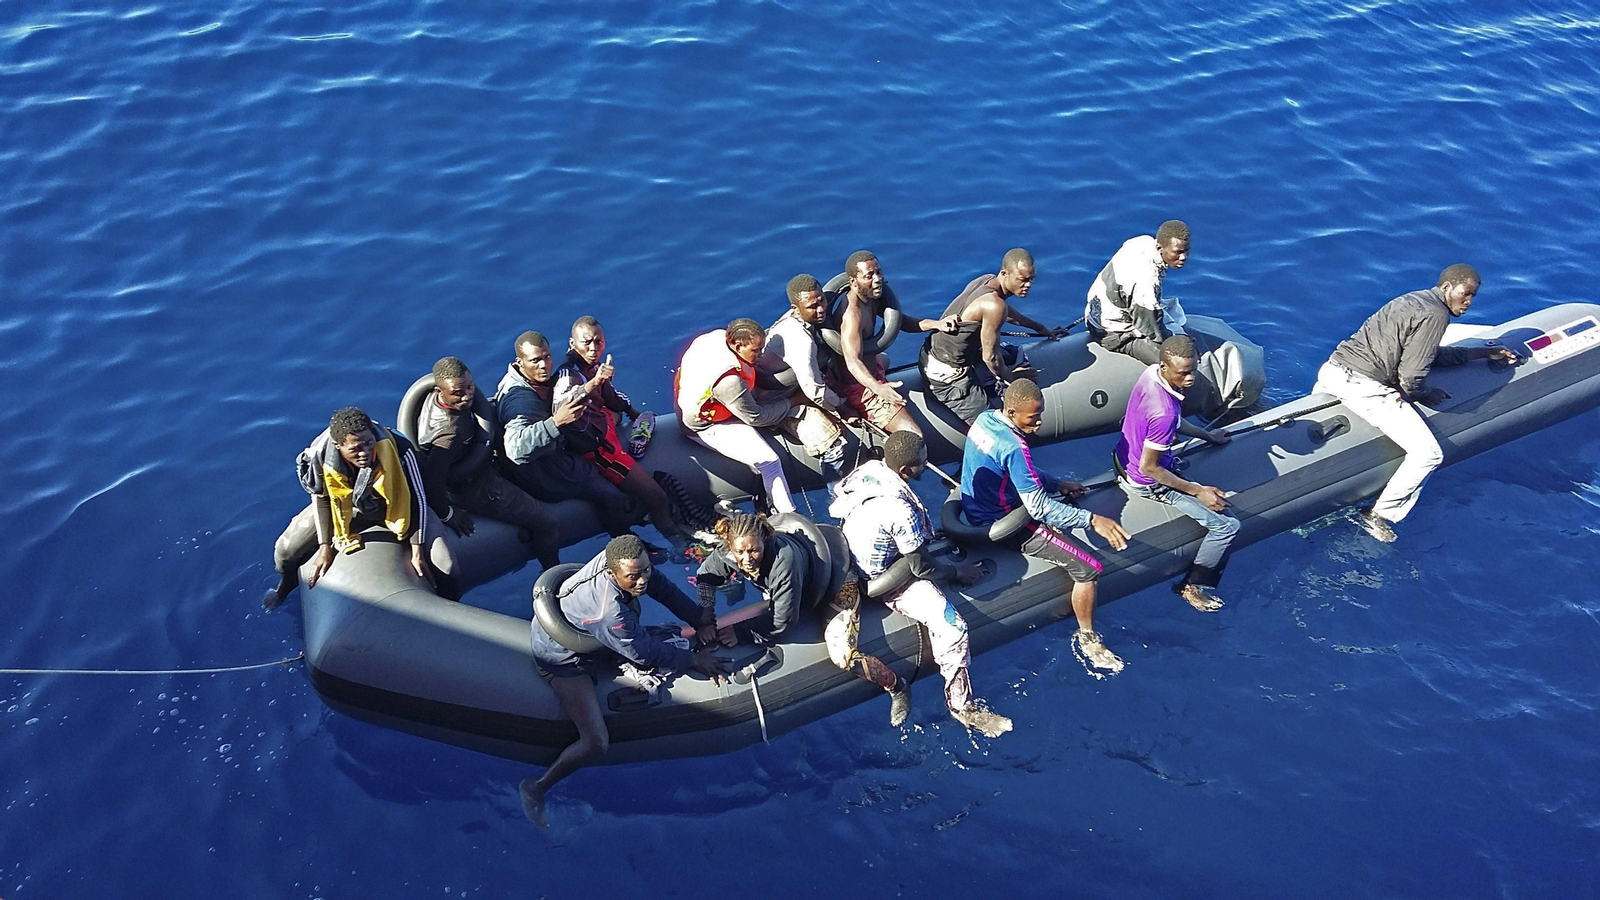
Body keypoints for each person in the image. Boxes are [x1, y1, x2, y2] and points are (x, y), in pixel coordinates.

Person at [520, 534, 729, 826]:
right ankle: (536, 788)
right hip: (562, 658)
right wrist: (693, 660)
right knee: (596, 742)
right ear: (612, 572)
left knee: (657, 624)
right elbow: (642, 653)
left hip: (590, 629)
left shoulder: (627, 563)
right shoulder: (610, 613)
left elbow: (662, 588)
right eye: (634, 576)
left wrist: (699, 618)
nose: (642, 579)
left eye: (645, 570)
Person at [1312, 264, 1520, 542]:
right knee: (1428, 454)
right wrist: (1425, 394)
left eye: (1473, 297)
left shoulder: (1412, 299)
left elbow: (1427, 353)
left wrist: (1479, 353)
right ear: (1447, 287)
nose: (1468, 302)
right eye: (1466, 294)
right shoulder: (1436, 315)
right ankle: (1378, 515)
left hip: (1333, 371)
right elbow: (1412, 376)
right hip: (1362, 386)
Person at [829, 431, 1011, 736]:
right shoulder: (899, 509)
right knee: (953, 628)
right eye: (921, 464)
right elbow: (919, 565)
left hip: (853, 556)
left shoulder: (869, 470)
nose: (926, 467)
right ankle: (961, 706)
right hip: (882, 578)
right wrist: (956, 573)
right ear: (905, 471)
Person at [961, 379, 1132, 673]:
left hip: (973, 507)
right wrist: (1092, 519)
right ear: (1013, 412)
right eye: (1033, 417)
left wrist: (1056, 483)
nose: (1038, 423)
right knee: (1089, 568)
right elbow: (1038, 507)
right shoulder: (1015, 445)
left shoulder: (985, 419)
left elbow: (1016, 468)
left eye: (1040, 415)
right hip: (1001, 521)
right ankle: (1088, 637)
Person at [265, 406, 440, 609]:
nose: (365, 452)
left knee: (446, 564)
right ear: (338, 446)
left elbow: (417, 496)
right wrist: (325, 548)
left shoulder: (399, 447)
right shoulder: (320, 455)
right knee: (286, 549)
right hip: (344, 505)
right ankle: (283, 589)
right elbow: (322, 499)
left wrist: (417, 549)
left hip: (387, 504)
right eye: (355, 449)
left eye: (368, 443)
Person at [1113, 337, 1238, 610]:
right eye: (1183, 373)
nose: (1191, 377)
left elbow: (1170, 421)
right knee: (1227, 527)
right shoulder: (1165, 413)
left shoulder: (1150, 375)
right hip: (1145, 479)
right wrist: (1198, 491)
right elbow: (1150, 467)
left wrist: (1207, 436)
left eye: (1193, 369)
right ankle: (1192, 586)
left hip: (1122, 458)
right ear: (1165, 366)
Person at [415, 357, 562, 572]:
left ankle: (521, 525)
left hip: (481, 465)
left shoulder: (434, 399)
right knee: (548, 522)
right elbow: (433, 479)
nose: (467, 395)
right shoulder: (448, 434)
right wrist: (448, 513)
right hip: (478, 488)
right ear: (440, 390)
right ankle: (553, 571)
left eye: (470, 386)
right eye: (458, 392)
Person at [552, 316, 690, 543]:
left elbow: (609, 395)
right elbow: (563, 407)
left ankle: (632, 435)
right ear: (572, 343)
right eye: (587, 342)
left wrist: (632, 412)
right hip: (596, 447)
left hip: (601, 423)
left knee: (612, 411)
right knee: (657, 497)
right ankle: (676, 543)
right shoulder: (567, 376)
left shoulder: (591, 366)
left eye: (598, 342)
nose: (593, 348)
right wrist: (594, 383)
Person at [494, 331, 635, 539]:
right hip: (541, 472)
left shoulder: (531, 379)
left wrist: (595, 382)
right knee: (610, 495)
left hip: (551, 452)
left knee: (612, 416)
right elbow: (516, 450)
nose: (544, 365)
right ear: (520, 362)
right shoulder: (520, 401)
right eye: (535, 361)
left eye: (547, 357)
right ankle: (623, 540)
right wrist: (556, 422)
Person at [675, 318, 804, 514]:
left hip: (691, 403)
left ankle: (764, 504)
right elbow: (756, 417)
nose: (761, 355)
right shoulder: (730, 381)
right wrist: (794, 401)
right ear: (737, 345)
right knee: (770, 462)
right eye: (756, 351)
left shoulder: (717, 337)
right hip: (703, 426)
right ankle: (789, 516)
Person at [922, 248, 1062, 425]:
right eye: (1023, 279)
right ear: (1005, 273)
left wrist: (1039, 327)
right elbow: (991, 358)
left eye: (1032, 279)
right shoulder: (995, 305)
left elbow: (1006, 312)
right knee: (992, 425)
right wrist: (1013, 379)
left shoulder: (987, 281)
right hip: (944, 375)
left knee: (1006, 354)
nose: (1029, 285)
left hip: (931, 351)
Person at [830, 250, 961, 437]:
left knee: (885, 358)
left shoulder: (870, 297)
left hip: (873, 364)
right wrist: (878, 388)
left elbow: (900, 322)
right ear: (853, 281)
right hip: (858, 388)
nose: (877, 279)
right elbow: (853, 362)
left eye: (879, 272)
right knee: (914, 434)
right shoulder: (852, 316)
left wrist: (937, 324)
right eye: (869, 276)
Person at [692, 512, 838, 644]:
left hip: (834, 572)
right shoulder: (727, 551)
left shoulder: (783, 564)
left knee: (839, 643)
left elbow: (782, 620)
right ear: (730, 547)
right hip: (791, 557)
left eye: (753, 551)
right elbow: (705, 577)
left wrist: (742, 632)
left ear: (766, 542)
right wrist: (706, 617)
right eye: (740, 552)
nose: (747, 559)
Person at [761, 274, 851, 481]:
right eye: (812, 307)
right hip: (774, 398)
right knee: (832, 445)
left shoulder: (804, 319)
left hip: (798, 385)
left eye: (822, 301)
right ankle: (837, 495)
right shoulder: (799, 340)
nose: (821, 310)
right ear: (795, 308)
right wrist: (842, 406)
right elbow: (813, 390)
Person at [1085, 220, 1193, 365]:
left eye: (1186, 251)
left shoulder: (1142, 242)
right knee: (1175, 363)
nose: (1184, 257)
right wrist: (1175, 341)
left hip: (1098, 314)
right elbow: (1151, 328)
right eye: (1178, 252)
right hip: (1111, 333)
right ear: (1160, 247)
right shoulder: (1146, 282)